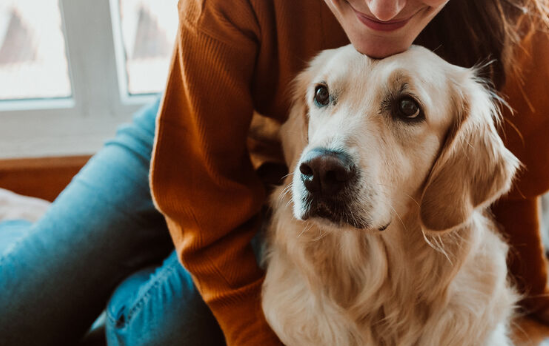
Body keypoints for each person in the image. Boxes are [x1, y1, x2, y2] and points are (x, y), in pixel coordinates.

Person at [0, 0, 548, 345]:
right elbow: (194, 187)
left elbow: (501, 185)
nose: (385, 6)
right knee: (16, 316)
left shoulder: (521, 24)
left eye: (406, 107)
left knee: (162, 335)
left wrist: (537, 299)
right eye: (323, 96)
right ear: (310, 108)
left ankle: (125, 266)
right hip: (192, 140)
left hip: (289, 179)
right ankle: (33, 226)